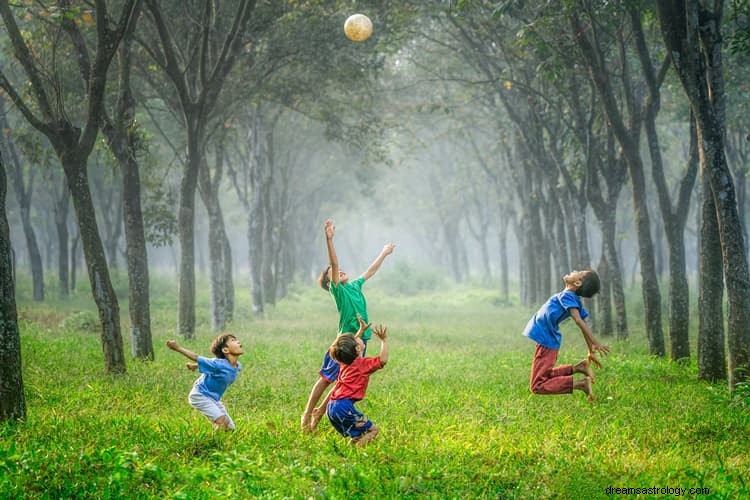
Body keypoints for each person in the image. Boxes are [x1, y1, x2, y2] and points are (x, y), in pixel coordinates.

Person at [300, 218, 394, 432]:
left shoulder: (355, 286)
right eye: (333, 273)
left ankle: (320, 413)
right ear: (329, 281)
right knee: (326, 379)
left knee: (345, 378)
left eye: (340, 270)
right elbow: (334, 263)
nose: (339, 271)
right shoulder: (338, 291)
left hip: (362, 339)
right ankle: (308, 413)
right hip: (345, 342)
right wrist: (329, 239)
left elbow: (370, 270)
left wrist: (384, 253)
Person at [523, 269, 610, 402]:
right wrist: (590, 350)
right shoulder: (571, 297)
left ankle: (580, 384)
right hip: (547, 340)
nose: (574, 270)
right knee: (545, 375)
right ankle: (578, 368)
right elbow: (582, 323)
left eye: (578, 272)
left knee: (537, 385)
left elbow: (579, 320)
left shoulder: (568, 296)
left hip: (546, 341)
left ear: (577, 282)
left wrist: (595, 342)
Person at [325, 316, 389, 447]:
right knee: (373, 430)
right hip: (343, 407)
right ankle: (358, 454)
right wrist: (384, 340)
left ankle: (350, 451)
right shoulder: (362, 364)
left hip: (331, 407)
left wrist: (360, 331)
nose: (358, 337)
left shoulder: (344, 361)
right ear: (358, 349)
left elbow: (348, 346)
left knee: (359, 433)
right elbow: (382, 360)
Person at [166, 334, 244, 431]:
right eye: (233, 340)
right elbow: (197, 357)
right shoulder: (218, 364)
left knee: (230, 428)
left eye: (236, 339)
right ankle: (215, 443)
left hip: (214, 399)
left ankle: (222, 440)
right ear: (225, 350)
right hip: (200, 395)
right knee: (221, 421)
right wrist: (177, 348)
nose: (238, 341)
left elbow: (210, 365)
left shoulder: (237, 366)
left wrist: (194, 366)